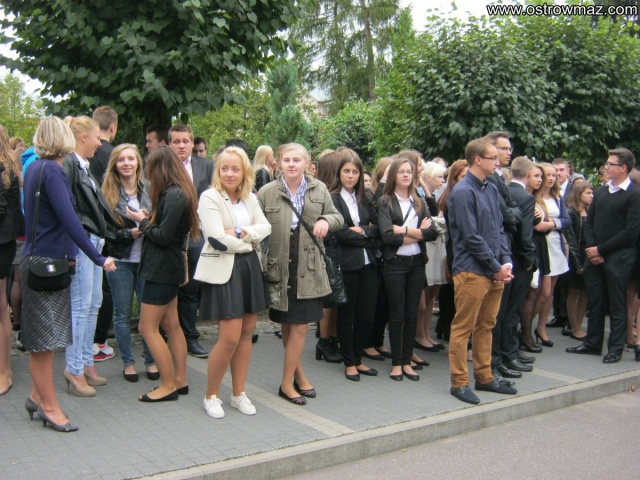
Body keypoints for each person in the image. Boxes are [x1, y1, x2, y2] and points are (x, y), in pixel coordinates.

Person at [22, 116, 116, 431]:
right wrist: (97, 257)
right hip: (48, 265)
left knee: (44, 340)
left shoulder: (35, 167)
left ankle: (37, 396)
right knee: (44, 343)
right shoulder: (52, 170)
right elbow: (70, 220)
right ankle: (49, 407)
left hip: (39, 260)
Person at [257, 143, 343, 405]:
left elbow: (337, 217)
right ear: (279, 163)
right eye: (287, 160)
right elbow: (255, 228)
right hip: (280, 268)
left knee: (301, 326)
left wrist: (325, 221)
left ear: (307, 162)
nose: (292, 164)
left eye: (297, 160)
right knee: (289, 324)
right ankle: (298, 376)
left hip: (309, 268)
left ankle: (287, 383)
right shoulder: (267, 192)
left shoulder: (319, 189)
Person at [195, 147, 271, 418]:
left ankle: (238, 394)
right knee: (228, 338)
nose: (229, 173)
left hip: (249, 269)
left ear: (244, 172)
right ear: (218, 170)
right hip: (224, 270)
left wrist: (238, 231)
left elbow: (266, 227)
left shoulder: (249, 197)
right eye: (224, 168)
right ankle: (211, 396)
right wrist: (249, 241)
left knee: (246, 334)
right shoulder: (210, 197)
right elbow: (216, 239)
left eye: (235, 169)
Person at [127, 146, 200, 401]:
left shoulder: (174, 194)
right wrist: (151, 219)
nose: (148, 175)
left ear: (159, 169)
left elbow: (163, 236)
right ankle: (180, 381)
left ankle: (168, 385)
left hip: (161, 269)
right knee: (171, 324)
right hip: (168, 267)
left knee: (147, 327)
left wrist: (142, 221)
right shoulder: (178, 192)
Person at [446, 138, 515, 405]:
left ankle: (484, 377)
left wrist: (505, 262)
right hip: (472, 270)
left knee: (486, 325)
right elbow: (470, 236)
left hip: (493, 270)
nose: (498, 162)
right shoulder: (463, 191)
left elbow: (499, 228)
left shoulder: (491, 187)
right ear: (478, 159)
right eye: (492, 157)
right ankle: (459, 382)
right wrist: (496, 266)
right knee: (463, 328)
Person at [62, 115, 118, 397]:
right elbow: (68, 209)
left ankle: (85, 363)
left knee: (92, 304)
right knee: (81, 307)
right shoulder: (70, 163)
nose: (99, 143)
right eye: (97, 137)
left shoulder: (81, 165)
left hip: (92, 241)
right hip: (83, 242)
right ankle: (74, 369)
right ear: (83, 137)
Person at [567, 148, 640, 363]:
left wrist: (601, 249)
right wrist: (592, 248)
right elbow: (589, 222)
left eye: (610, 164)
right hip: (595, 255)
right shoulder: (600, 192)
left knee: (617, 304)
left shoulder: (634, 195)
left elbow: (630, 231)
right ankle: (592, 343)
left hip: (620, 257)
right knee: (595, 301)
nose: (606, 167)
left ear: (623, 168)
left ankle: (615, 348)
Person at [378, 157, 437, 382]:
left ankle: (406, 361)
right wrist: (417, 232)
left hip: (416, 264)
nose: (405, 175)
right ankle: (396, 363)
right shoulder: (385, 201)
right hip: (394, 264)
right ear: (393, 175)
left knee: (412, 314)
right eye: (401, 171)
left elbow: (432, 233)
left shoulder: (419, 202)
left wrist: (402, 230)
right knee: (397, 315)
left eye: (409, 172)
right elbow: (387, 237)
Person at [101, 144, 157, 382]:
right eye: (121, 159)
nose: (126, 163)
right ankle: (128, 362)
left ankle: (151, 360)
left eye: (131, 159)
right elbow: (103, 231)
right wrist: (129, 234)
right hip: (120, 260)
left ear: (138, 163)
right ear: (115, 164)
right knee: (122, 314)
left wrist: (148, 222)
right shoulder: (107, 192)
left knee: (148, 316)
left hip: (147, 260)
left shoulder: (150, 188)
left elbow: (162, 220)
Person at [329, 150, 380, 381]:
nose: (350, 176)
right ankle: (350, 362)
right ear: (339, 173)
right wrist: (366, 235)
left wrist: (362, 231)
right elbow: (340, 233)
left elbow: (379, 228)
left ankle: (358, 357)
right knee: (346, 314)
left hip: (369, 263)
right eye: (346, 171)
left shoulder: (366, 197)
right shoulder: (333, 199)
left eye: (355, 172)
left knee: (367, 315)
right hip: (347, 263)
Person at [169, 125, 214, 358]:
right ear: (169, 144)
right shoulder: (161, 165)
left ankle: (190, 337)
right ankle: (166, 334)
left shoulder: (205, 166)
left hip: (196, 234)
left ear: (191, 143)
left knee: (191, 289)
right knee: (167, 288)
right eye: (176, 141)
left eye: (185, 141)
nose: (181, 146)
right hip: (168, 235)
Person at [496, 157, 539, 378]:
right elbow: (525, 235)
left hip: (504, 256)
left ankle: (510, 351)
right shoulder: (526, 197)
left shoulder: (505, 191)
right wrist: (530, 260)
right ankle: (509, 353)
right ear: (529, 174)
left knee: (504, 310)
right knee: (511, 310)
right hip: (518, 260)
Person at [89, 106, 119, 363]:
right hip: (111, 226)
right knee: (107, 286)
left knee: (88, 286)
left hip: (85, 228)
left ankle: (87, 339)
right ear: (113, 126)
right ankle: (99, 340)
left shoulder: (81, 153)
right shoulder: (115, 155)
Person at [530, 163, 571, 347]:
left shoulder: (557, 197)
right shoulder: (533, 197)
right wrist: (551, 224)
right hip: (540, 245)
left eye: (554, 175)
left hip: (556, 245)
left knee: (550, 293)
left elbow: (567, 220)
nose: (552, 178)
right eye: (548, 174)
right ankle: (524, 326)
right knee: (542, 291)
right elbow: (536, 225)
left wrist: (552, 224)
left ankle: (541, 328)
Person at [0, 126, 24, 395]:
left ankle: (4, 372)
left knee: (0, 309)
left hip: (3, 244)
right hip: (6, 242)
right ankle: (4, 370)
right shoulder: (9, 169)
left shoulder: (4, 171)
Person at [435, 160, 468, 342]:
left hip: (454, 248)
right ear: (454, 178)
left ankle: (443, 326)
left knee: (451, 293)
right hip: (455, 249)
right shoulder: (453, 198)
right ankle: (447, 328)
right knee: (453, 294)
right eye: (463, 176)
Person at [565, 181, 594, 341]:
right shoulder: (571, 212)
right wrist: (577, 263)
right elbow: (571, 240)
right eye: (588, 193)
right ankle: (574, 326)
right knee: (574, 291)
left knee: (585, 291)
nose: (591, 196)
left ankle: (579, 324)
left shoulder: (590, 212)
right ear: (579, 194)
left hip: (588, 254)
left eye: (592, 193)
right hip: (576, 256)